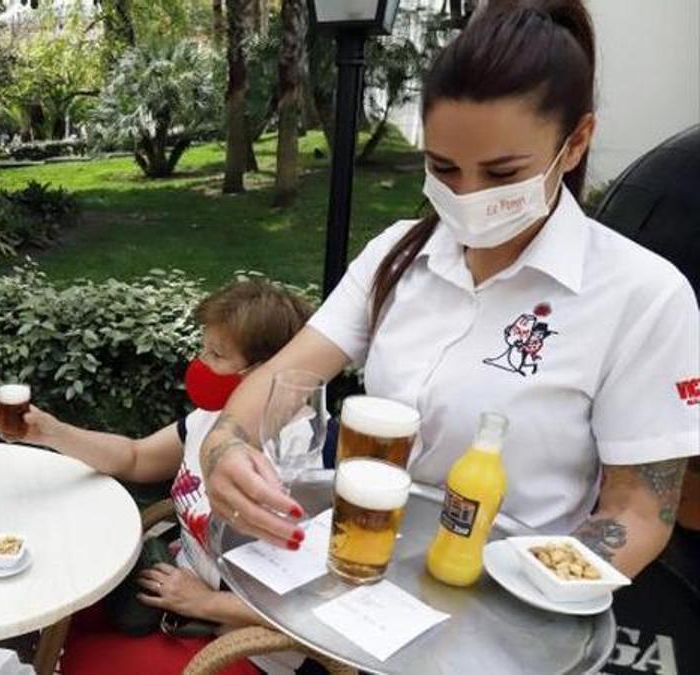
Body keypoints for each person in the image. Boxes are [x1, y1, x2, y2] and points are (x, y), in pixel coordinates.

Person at [200, 0, 700, 580]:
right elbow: (282, 381)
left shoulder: (641, 297)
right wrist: (227, 446)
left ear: (577, 142)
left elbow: (638, 511)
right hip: (360, 577)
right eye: (443, 167)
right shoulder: (398, 253)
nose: (467, 195)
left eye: (502, 174)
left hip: (506, 618)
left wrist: (528, 593)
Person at [8, 280, 312, 675]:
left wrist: (202, 602)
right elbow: (136, 457)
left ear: (263, 372)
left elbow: (314, 605)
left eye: (216, 354)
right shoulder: (217, 421)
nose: (200, 363)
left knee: (84, 660)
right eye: (203, 348)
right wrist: (50, 432)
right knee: (59, 608)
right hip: (172, 597)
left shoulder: (305, 460)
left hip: (244, 647)